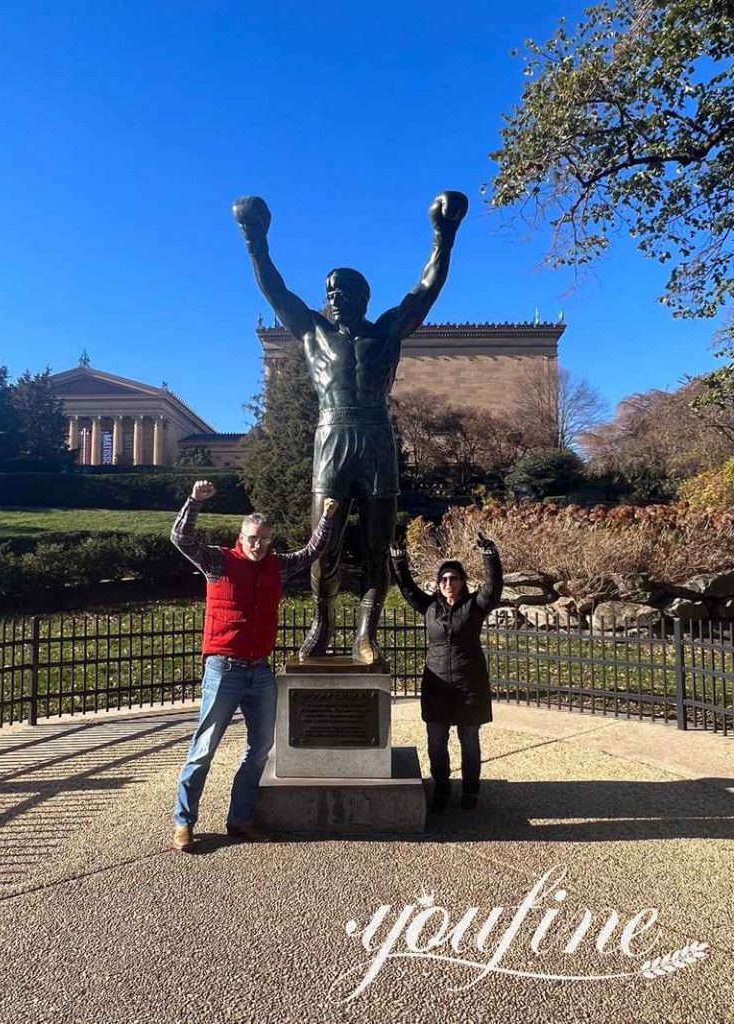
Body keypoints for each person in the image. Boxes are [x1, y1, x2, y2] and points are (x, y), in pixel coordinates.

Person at [232, 191, 468, 665]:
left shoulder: (386, 332)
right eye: (331, 291)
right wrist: (255, 240)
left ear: (364, 297)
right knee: (324, 543)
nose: (336, 297)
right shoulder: (313, 332)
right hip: (332, 436)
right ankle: (322, 621)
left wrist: (444, 235)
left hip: (377, 438)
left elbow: (426, 289)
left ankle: (366, 633)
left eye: (345, 291)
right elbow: (275, 290)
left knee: (378, 545)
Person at [171, 479, 338, 850]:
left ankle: (240, 819)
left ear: (270, 540)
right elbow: (181, 539)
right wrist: (194, 502)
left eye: (263, 538)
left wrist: (326, 517)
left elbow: (312, 551)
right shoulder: (219, 560)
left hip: (260, 671)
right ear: (240, 537)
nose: (257, 544)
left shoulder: (277, 567)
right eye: (251, 538)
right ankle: (184, 821)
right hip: (223, 670)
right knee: (204, 749)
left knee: (260, 748)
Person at [390, 534, 503, 813]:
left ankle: (471, 789)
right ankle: (441, 787)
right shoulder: (429, 607)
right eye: (443, 579)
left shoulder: (475, 606)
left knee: (470, 742)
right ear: (438, 584)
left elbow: (494, 587)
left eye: (453, 578)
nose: (448, 583)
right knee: (436, 743)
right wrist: (398, 558)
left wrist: (489, 554)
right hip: (437, 685)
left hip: (469, 683)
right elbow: (407, 588)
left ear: (463, 581)